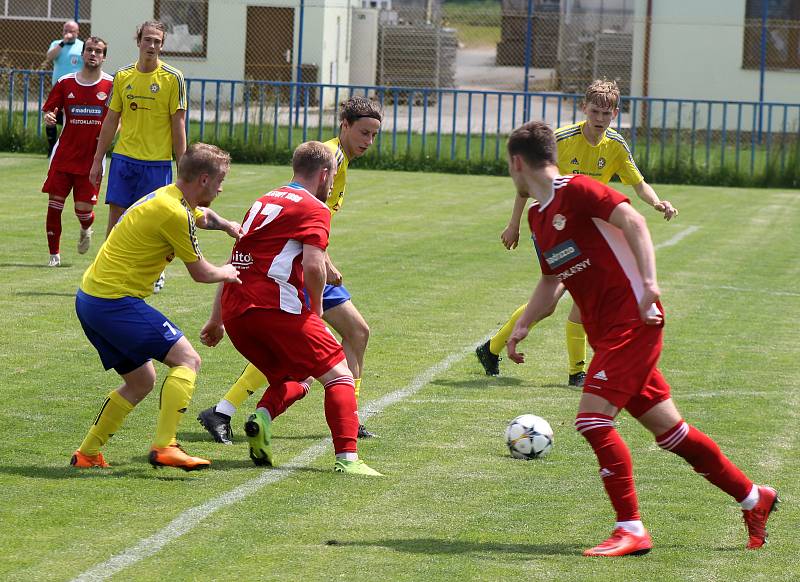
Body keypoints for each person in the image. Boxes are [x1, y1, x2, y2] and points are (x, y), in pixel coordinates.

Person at [504, 120, 778, 556]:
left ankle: (630, 528)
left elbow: (633, 220)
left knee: (593, 421)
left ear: (516, 163)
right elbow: (552, 278)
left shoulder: (577, 190)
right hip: (608, 334)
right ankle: (753, 497)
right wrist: (523, 325)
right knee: (672, 433)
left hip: (634, 321)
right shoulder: (539, 217)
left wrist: (649, 282)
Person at [197, 96, 383, 444]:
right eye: (363, 132)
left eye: (374, 135)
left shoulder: (337, 161)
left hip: (298, 260)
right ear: (344, 126)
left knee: (329, 341)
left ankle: (225, 411)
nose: (368, 142)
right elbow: (300, 211)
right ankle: (347, 421)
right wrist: (323, 263)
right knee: (328, 339)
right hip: (293, 267)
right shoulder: (331, 158)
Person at [475, 79, 679, 386]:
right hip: (553, 225)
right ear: (584, 108)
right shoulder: (560, 140)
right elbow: (527, 183)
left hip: (587, 230)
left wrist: (656, 202)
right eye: (594, 111)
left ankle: (495, 349)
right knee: (561, 292)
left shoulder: (616, 146)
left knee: (563, 298)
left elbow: (638, 182)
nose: (599, 119)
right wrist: (514, 224)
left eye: (606, 114)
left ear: (615, 113)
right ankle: (575, 372)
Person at [70, 143, 243, 471]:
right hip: (114, 302)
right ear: (204, 179)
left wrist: (226, 225)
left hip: (91, 299)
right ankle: (166, 446)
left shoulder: (171, 196)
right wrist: (229, 272)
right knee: (188, 359)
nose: (222, 187)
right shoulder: (174, 213)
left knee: (140, 382)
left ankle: (87, 453)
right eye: (220, 180)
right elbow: (202, 273)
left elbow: (202, 216)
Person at [89, 20, 187, 293]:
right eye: (148, 40)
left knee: (158, 221)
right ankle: (106, 270)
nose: (152, 46)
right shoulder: (122, 76)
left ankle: (156, 272)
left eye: (157, 41)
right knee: (117, 217)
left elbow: (178, 126)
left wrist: (184, 168)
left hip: (157, 164)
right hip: (125, 159)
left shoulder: (173, 78)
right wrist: (98, 159)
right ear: (138, 41)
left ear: (162, 45)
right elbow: (110, 120)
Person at [41, 36, 113, 267]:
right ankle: (54, 255)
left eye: (98, 51)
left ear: (104, 57)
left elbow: (119, 117)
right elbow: (50, 111)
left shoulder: (112, 85)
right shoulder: (65, 82)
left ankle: (86, 227)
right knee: (55, 204)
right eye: (89, 50)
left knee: (83, 210)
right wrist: (49, 117)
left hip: (92, 159)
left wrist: (111, 134)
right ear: (82, 54)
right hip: (64, 155)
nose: (93, 54)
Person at [44, 20, 84, 156]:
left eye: (72, 31)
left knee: (74, 118)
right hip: (58, 89)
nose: (68, 34)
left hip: (76, 90)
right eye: (66, 30)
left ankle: (73, 147)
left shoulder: (82, 46)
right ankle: (51, 148)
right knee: (51, 116)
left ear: (77, 33)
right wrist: (62, 43)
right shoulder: (57, 44)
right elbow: (49, 57)